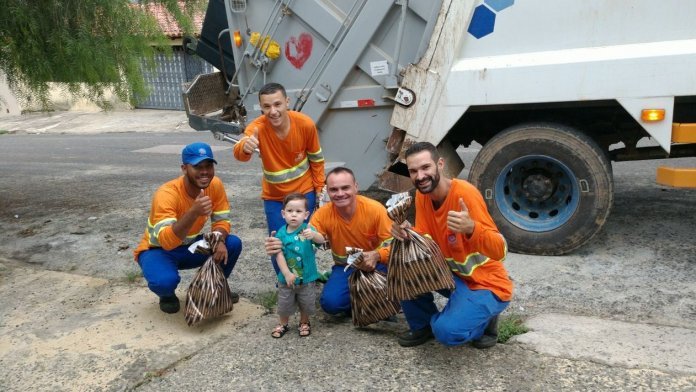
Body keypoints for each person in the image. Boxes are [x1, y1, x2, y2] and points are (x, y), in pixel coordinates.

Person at [391, 142, 513, 348]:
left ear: (440, 164)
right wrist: (405, 234)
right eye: (413, 171)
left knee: (447, 333)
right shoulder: (422, 195)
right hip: (454, 278)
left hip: (485, 283)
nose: (420, 176)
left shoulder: (465, 194)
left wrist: (472, 228)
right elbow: (425, 239)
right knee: (401, 263)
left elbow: (500, 250)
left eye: (425, 167)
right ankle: (423, 325)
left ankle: (484, 320)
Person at [266, 167, 393, 317]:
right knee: (330, 304)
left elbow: (394, 244)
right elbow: (304, 242)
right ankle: (364, 300)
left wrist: (377, 255)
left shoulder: (376, 210)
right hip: (345, 267)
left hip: (376, 265)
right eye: (334, 189)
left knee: (389, 294)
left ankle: (375, 299)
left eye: (345, 188)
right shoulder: (323, 214)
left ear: (356, 187)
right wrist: (280, 246)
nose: (340, 194)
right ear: (328, 191)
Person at [134, 142, 243, 314]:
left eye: (208, 166)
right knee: (164, 281)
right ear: (184, 168)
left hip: (190, 247)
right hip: (158, 249)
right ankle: (167, 295)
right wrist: (193, 212)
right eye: (197, 166)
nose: (205, 172)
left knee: (233, 244)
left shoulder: (215, 185)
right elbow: (167, 242)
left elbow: (222, 221)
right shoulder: (167, 194)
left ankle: (211, 288)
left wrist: (219, 240)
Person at [233, 82, 325, 275]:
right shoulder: (257, 128)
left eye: (277, 104)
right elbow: (240, 152)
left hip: (304, 192)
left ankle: (305, 279)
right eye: (266, 107)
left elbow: (317, 160)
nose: (273, 111)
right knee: (277, 242)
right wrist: (245, 147)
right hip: (275, 198)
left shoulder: (305, 124)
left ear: (287, 102)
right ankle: (284, 283)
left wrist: (319, 191)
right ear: (261, 107)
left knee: (305, 240)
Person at [271, 193, 326, 338]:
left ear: (306, 214)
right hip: (287, 279)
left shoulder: (308, 229)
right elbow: (279, 255)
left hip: (307, 277)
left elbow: (321, 240)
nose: (294, 215)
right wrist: (286, 273)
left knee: (306, 302)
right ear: (283, 214)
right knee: (284, 303)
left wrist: (314, 235)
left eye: (298, 211)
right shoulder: (281, 234)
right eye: (290, 211)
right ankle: (283, 323)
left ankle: (304, 322)